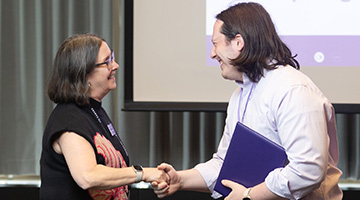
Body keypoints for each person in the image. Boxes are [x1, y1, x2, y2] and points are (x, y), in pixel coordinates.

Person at [152, 2, 343, 200]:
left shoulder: (293, 90)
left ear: (238, 43)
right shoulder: (240, 94)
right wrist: (180, 180)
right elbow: (225, 165)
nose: (212, 54)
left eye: (215, 43)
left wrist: (248, 195)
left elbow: (307, 170)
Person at [40, 34, 169, 200]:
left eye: (113, 58)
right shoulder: (69, 119)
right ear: (84, 73)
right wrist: (142, 173)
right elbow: (88, 176)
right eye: (107, 61)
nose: (115, 66)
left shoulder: (93, 110)